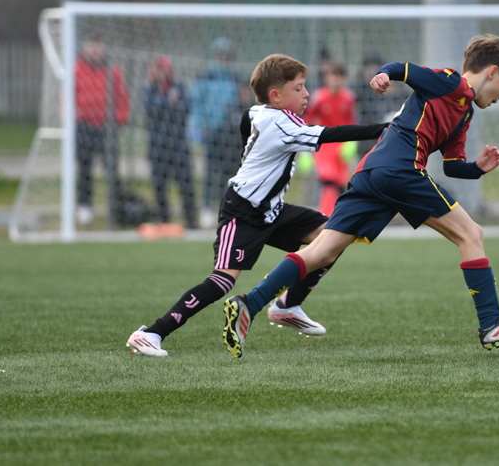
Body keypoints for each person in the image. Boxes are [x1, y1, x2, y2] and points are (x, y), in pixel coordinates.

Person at [222, 34, 499, 359]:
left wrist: (478, 168)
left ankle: (249, 303)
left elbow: (453, 165)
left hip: (371, 172)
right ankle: (490, 323)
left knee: (322, 251)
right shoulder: (449, 82)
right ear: (491, 72)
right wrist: (384, 74)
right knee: (471, 234)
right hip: (401, 169)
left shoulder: (464, 113)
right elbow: (404, 69)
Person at [126, 54, 387, 356]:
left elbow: (245, 120)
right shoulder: (283, 125)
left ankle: (288, 306)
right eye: (299, 88)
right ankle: (151, 333)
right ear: (276, 96)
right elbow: (332, 134)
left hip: (271, 209)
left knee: (333, 236)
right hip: (243, 211)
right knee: (222, 281)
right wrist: (384, 129)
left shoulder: (259, 111)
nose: (306, 94)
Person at [189, 37, 254, 226]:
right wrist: (200, 127)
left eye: (227, 55)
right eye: (221, 55)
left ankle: (230, 209)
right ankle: (207, 208)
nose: (223, 59)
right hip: (211, 133)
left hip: (230, 136)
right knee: (210, 172)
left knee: (231, 174)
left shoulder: (236, 79)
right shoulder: (205, 77)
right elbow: (197, 105)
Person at [74, 34, 130, 225]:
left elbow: (122, 97)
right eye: (92, 47)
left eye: (99, 47)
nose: (95, 51)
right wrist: (74, 116)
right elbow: (68, 96)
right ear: (86, 49)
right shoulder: (77, 70)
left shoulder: (113, 71)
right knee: (84, 168)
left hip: (106, 128)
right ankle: (85, 207)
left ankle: (117, 207)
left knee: (112, 169)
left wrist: (120, 119)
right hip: (85, 126)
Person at [141, 55, 198, 229]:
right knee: (159, 185)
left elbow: (185, 109)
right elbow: (151, 109)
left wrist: (167, 105)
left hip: (179, 145)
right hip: (157, 146)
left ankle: (191, 222)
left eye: (160, 69)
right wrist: (169, 103)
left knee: (186, 184)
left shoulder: (179, 87)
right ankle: (164, 221)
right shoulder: (149, 90)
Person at [303, 62, 357, 215]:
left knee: (340, 182)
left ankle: (338, 215)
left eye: (339, 76)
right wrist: (305, 150)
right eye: (333, 76)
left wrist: (351, 143)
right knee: (329, 181)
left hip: (341, 148)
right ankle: (327, 217)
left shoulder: (349, 98)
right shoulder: (318, 98)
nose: (336, 80)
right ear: (326, 78)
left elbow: (352, 121)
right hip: (324, 146)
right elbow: (307, 122)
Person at [353, 52, 403, 157]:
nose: (371, 70)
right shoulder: (359, 88)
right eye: (369, 67)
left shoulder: (390, 87)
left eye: (374, 66)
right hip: (365, 135)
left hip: (386, 135)